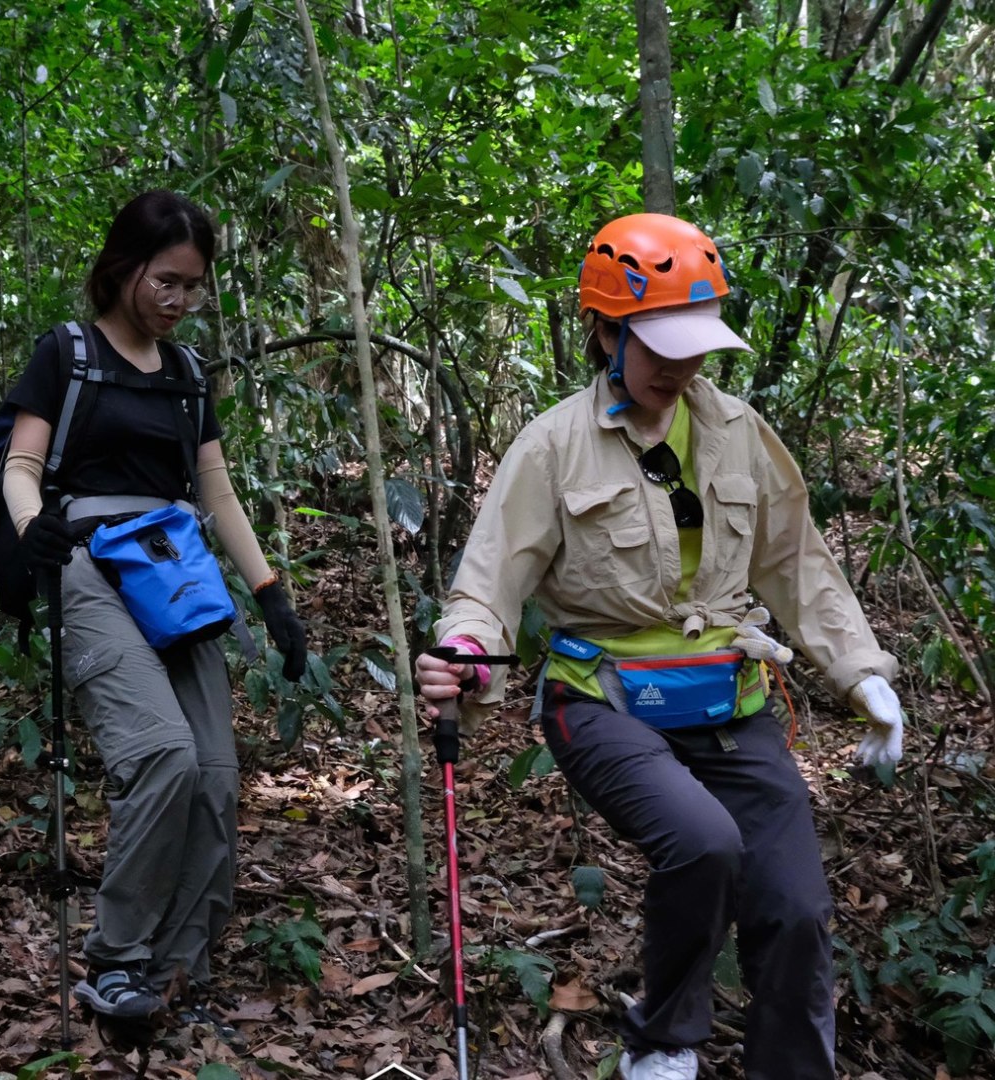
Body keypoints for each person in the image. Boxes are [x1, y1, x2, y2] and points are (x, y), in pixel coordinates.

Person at [415, 213, 904, 1080]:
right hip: (599, 696)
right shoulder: (555, 444)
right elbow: (490, 580)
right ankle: (665, 1043)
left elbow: (798, 565)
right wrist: (463, 646)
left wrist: (862, 673)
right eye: (658, 345)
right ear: (606, 330)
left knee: (793, 906)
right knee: (704, 842)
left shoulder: (738, 431)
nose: (680, 367)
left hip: (728, 695)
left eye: (696, 347)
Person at [2, 190, 307, 1031]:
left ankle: (174, 971)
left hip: (172, 568)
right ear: (125, 266)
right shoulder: (65, 354)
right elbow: (22, 466)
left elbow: (214, 489)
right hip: (83, 560)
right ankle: (116, 961)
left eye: (194, 286)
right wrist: (35, 532)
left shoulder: (185, 375)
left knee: (214, 772)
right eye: (167, 281)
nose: (180, 300)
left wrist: (271, 592)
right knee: (163, 751)